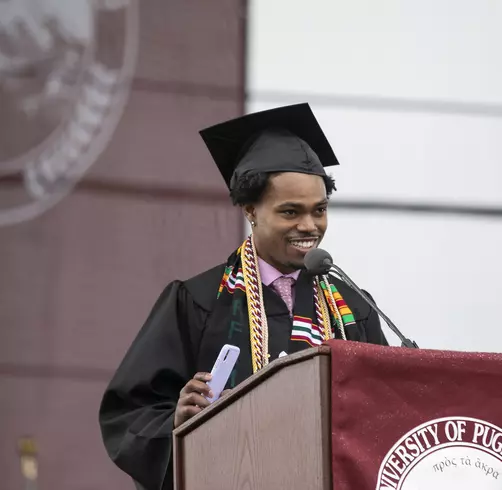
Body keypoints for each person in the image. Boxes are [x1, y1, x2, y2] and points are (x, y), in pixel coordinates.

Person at [98, 103, 388, 490]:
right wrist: (178, 422)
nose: (309, 226)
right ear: (251, 209)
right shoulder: (198, 301)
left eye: (319, 210)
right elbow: (131, 414)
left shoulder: (353, 309)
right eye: (290, 212)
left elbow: (387, 408)